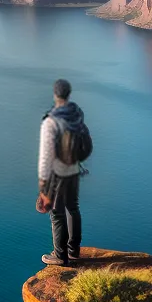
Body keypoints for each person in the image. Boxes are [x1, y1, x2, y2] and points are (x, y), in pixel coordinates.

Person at [36, 78, 86, 266]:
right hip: (73, 170)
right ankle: (74, 250)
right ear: (68, 94)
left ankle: (60, 255)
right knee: (72, 208)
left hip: (56, 174)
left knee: (57, 213)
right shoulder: (77, 114)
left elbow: (45, 155)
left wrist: (43, 182)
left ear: (55, 95)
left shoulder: (51, 121)